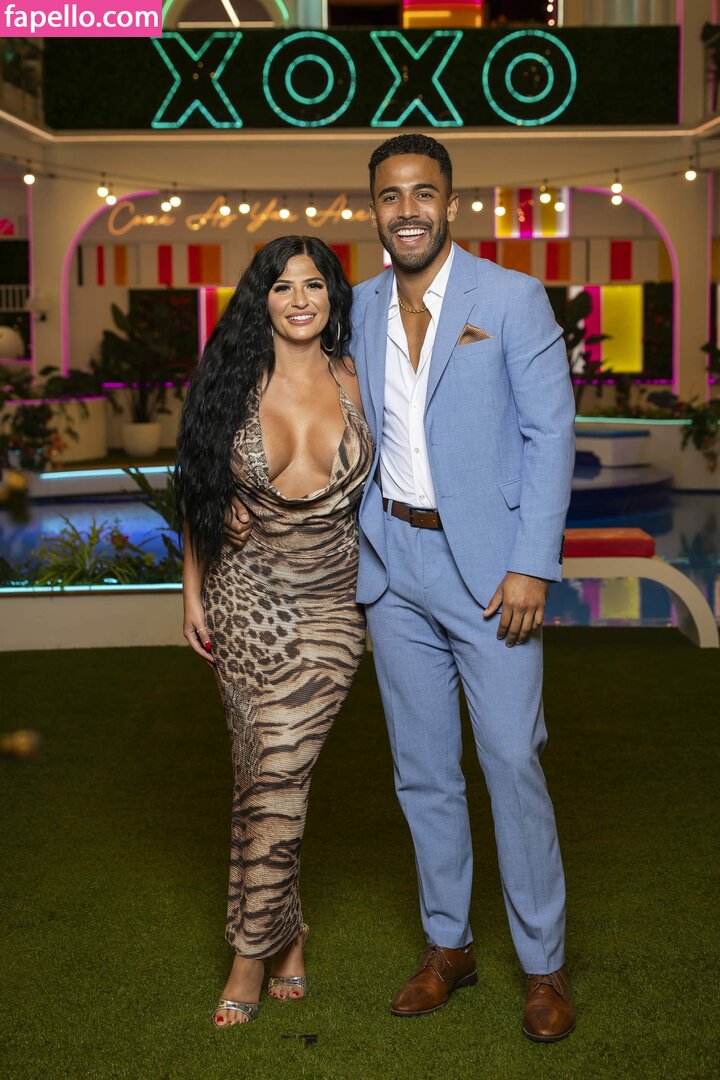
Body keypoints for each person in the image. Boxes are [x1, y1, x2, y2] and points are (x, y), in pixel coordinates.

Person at [228, 134, 576, 1042]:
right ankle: (448, 946)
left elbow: (551, 434)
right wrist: (235, 486)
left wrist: (532, 562)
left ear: (450, 203)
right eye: (391, 195)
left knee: (512, 761)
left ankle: (543, 964)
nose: (408, 210)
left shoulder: (511, 298)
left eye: (424, 193)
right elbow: (294, 389)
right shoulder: (359, 308)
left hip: (494, 575)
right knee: (423, 773)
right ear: (374, 209)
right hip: (392, 571)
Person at [176, 236, 373, 1027]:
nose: (300, 299)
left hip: (331, 610)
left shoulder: (360, 378)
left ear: (333, 296)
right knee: (264, 779)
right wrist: (192, 592)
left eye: (314, 284)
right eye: (283, 285)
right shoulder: (232, 379)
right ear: (262, 298)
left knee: (280, 773)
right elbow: (197, 486)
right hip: (245, 602)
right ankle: (283, 940)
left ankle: (248, 954)